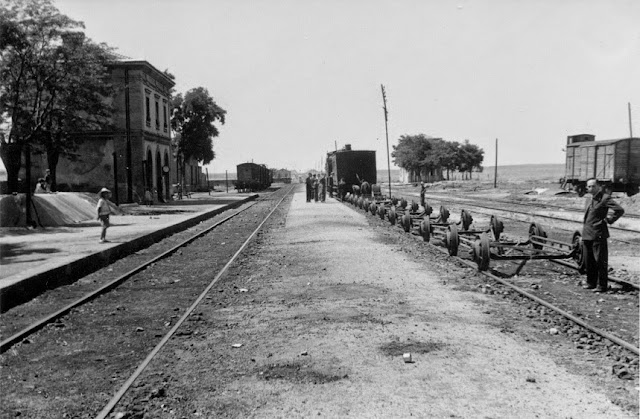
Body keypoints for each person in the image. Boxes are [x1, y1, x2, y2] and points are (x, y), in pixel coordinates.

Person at [581, 179, 624, 293]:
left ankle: (602, 286)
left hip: (598, 234)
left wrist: (609, 220)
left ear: (599, 186)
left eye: (593, 186)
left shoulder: (605, 198)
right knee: (588, 261)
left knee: (600, 261)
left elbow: (619, 210)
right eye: (589, 186)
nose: (591, 188)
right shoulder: (588, 199)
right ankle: (591, 282)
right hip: (587, 233)